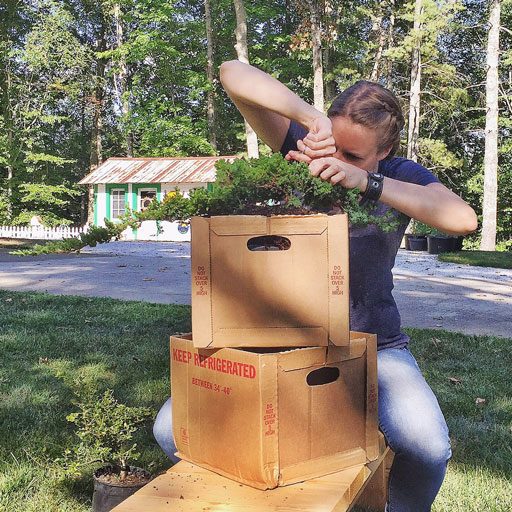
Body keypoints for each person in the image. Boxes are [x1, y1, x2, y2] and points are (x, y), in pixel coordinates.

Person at [153, 60, 478, 512]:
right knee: (170, 429)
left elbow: (462, 219)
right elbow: (232, 73)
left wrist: (367, 182)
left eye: (354, 156)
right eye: (333, 147)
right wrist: (311, 120)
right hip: (278, 340)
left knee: (427, 446)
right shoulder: (304, 143)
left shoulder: (402, 176)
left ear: (384, 151)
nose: (333, 163)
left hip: (370, 342)